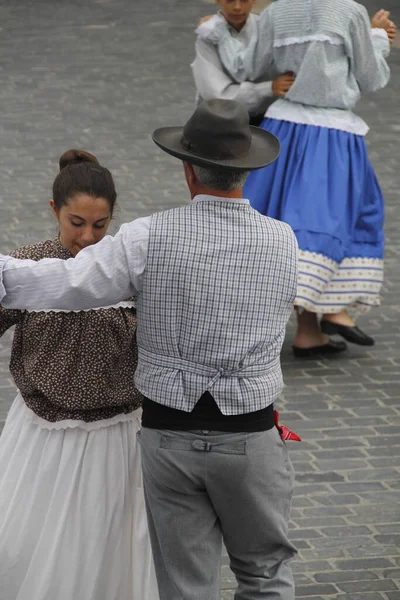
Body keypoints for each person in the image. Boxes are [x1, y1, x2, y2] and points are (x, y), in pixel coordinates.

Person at [0, 100, 299, 600]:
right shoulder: (284, 240)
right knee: (265, 574)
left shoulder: (146, 238)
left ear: (186, 169)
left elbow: (67, 284)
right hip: (250, 435)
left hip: (170, 436)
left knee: (184, 583)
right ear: (246, 169)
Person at [0, 150, 158, 600]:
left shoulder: (129, 273)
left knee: (104, 550)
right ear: (54, 211)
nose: (87, 237)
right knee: (28, 545)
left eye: (100, 225)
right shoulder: (28, 266)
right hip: (40, 439)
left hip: (117, 441)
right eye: (76, 223)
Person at [196, 1, 396, 356]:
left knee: (288, 218)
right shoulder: (348, 11)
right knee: (332, 218)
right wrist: (378, 36)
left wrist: (219, 33)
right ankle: (330, 310)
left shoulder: (277, 12)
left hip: (284, 129)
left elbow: (250, 67)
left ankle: (309, 331)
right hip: (331, 134)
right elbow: (372, 78)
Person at [192, 0, 295, 126]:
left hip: (267, 119)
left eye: (244, 1)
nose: (237, 7)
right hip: (221, 122)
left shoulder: (268, 29)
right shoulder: (207, 36)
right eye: (230, 1)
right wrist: (269, 88)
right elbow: (217, 97)